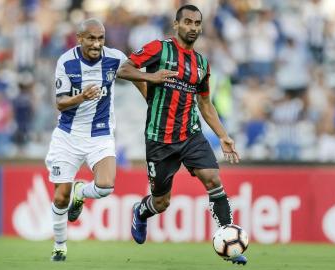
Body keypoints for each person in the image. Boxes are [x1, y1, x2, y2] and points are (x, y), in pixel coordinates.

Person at [117, 5, 247, 265]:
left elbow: (205, 105)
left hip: (191, 134)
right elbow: (123, 70)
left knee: (212, 178)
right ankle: (141, 211)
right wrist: (151, 77)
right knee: (161, 201)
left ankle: (230, 242)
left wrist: (223, 135)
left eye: (197, 23)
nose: (193, 27)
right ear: (176, 25)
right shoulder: (158, 48)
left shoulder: (202, 64)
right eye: (187, 22)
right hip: (159, 138)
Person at [45, 18, 146, 262]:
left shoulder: (115, 58)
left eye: (100, 38)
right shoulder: (66, 61)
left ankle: (81, 192)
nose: (96, 43)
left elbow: (136, 76)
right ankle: (60, 245)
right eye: (91, 38)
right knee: (60, 197)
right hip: (68, 135)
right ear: (80, 39)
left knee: (105, 187)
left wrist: (150, 101)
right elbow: (60, 102)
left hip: (100, 134)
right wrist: (81, 97)